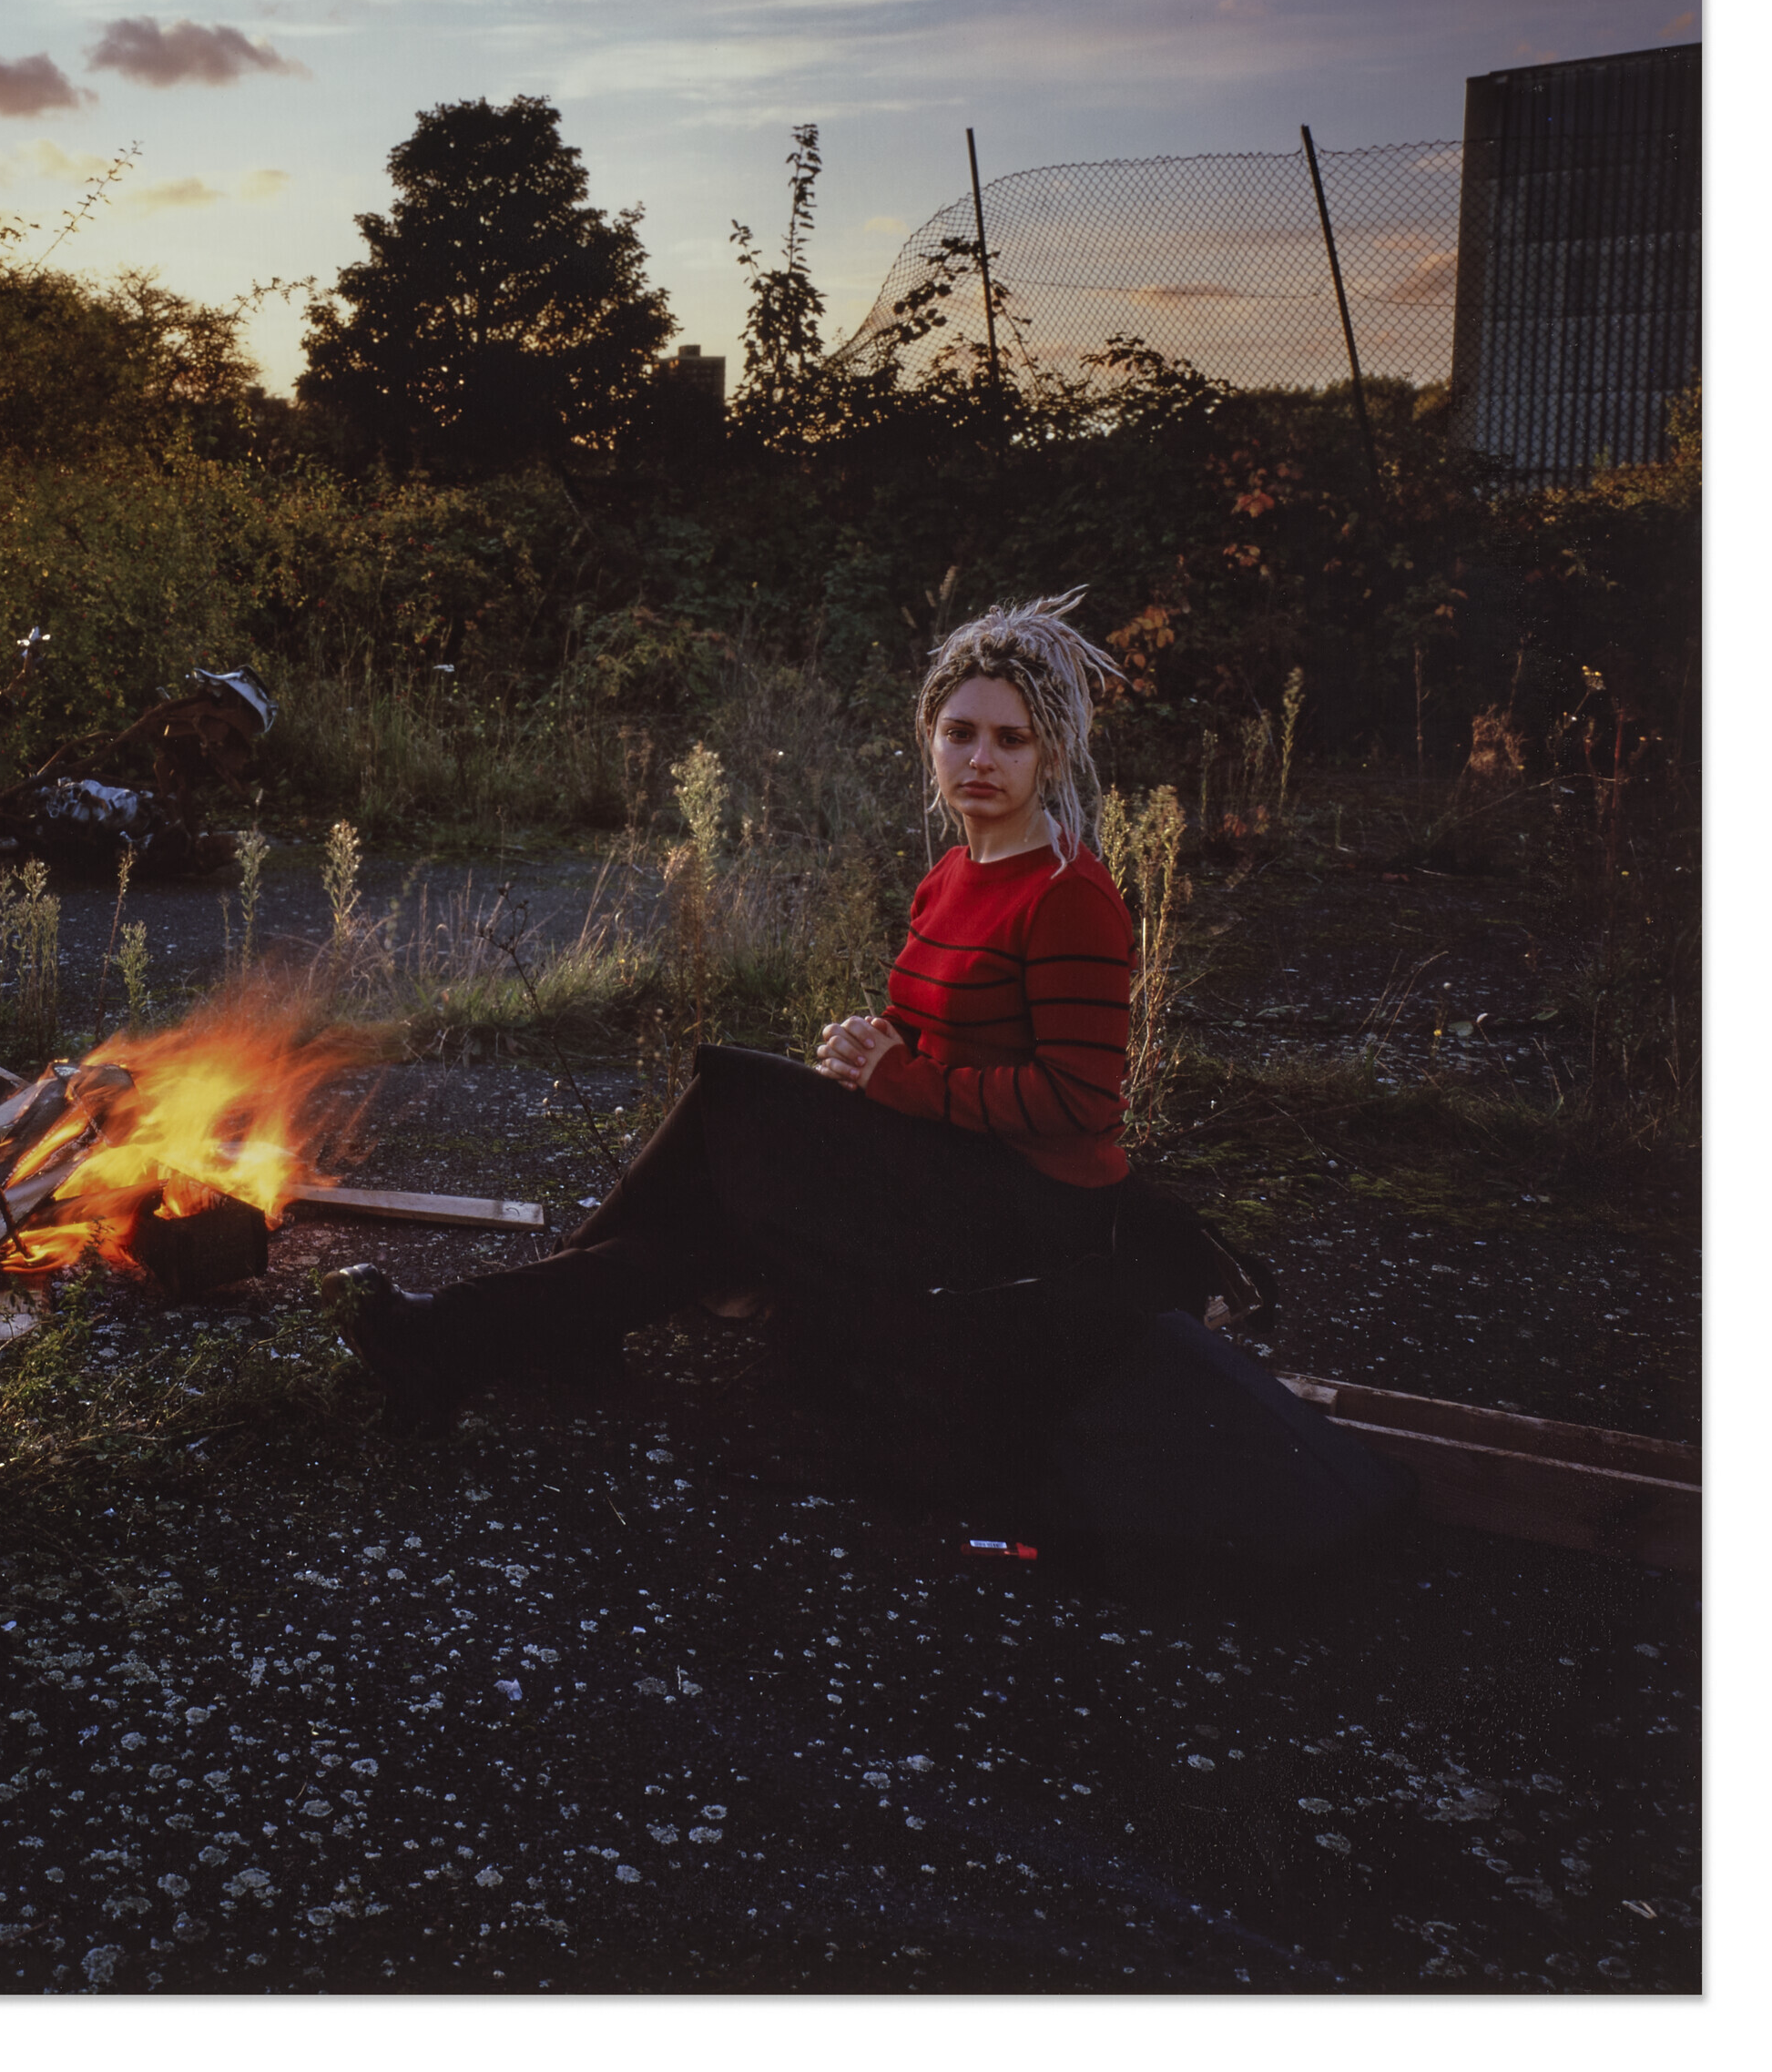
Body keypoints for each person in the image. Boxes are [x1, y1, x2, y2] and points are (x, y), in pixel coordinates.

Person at [330, 591, 1408, 1561]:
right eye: (958, 733)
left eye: (1009, 739)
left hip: (1030, 1216)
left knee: (731, 1099)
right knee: (719, 1202)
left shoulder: (1068, 896)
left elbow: (1082, 1104)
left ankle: (512, 1327)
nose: (979, 759)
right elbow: (929, 1034)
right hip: (941, 1162)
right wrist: (866, 1049)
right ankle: (461, 1340)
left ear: (1050, 756)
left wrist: (902, 1087)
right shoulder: (951, 873)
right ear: (928, 739)